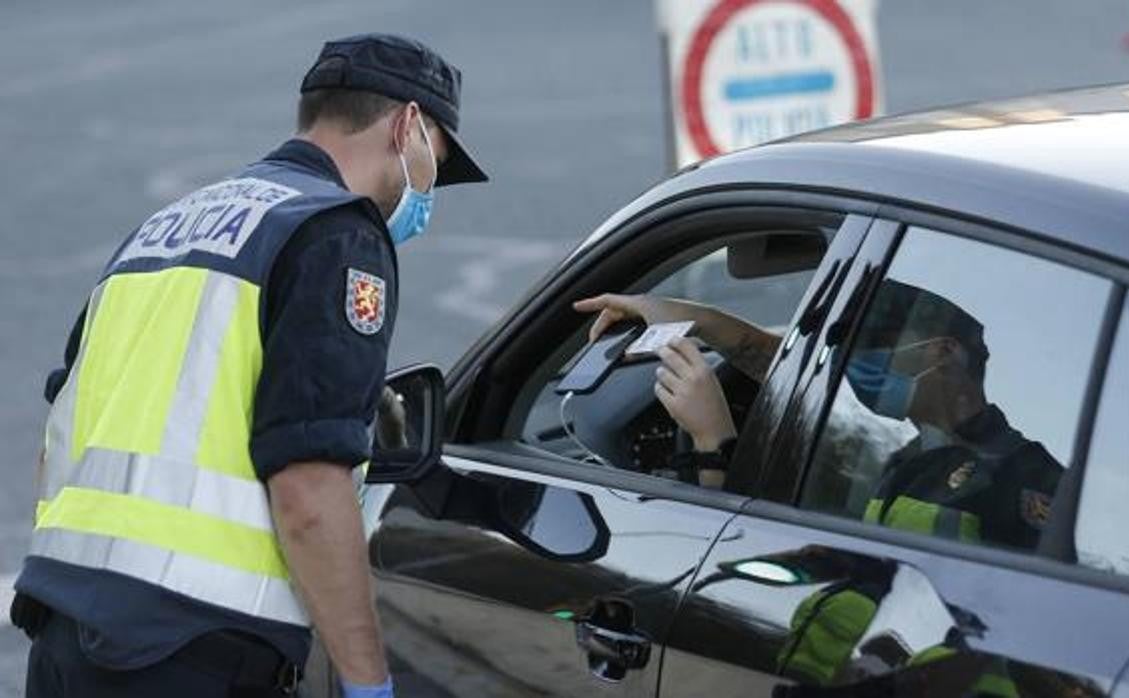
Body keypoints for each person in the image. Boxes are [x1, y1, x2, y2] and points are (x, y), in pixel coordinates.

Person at [10, 34, 486, 698]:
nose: (429, 188)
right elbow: (309, 492)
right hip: (189, 649)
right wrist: (366, 679)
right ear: (407, 125)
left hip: (63, 631)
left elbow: (60, 435)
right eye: (434, 159)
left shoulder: (163, 228)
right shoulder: (335, 233)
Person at [574, 282, 1062, 550]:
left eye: (871, 353)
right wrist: (681, 314)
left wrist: (714, 442)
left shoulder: (1024, 477)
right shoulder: (906, 456)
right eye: (848, 357)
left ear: (944, 352)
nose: (855, 371)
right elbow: (787, 368)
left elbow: (726, 546)